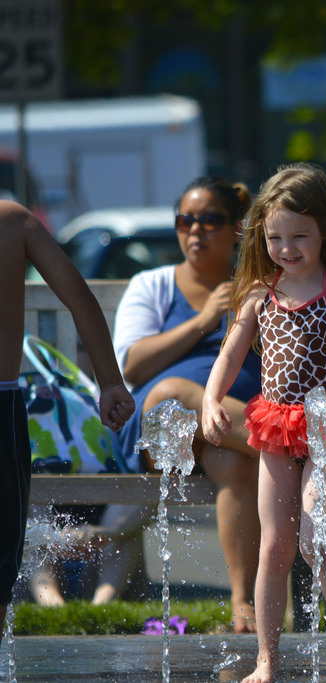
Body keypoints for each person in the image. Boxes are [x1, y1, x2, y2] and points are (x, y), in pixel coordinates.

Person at [202, 162, 326, 683]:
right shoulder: (262, 292)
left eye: (299, 236)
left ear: (325, 226)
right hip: (276, 427)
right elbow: (230, 356)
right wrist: (212, 400)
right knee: (275, 543)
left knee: (314, 540)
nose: (286, 247)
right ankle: (267, 658)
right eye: (276, 237)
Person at [111, 176, 261, 630]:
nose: (196, 231)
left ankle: (243, 603)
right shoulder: (153, 284)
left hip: (222, 440)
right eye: (185, 220)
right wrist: (203, 320)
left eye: (210, 220)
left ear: (236, 229)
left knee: (234, 468)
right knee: (173, 391)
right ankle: (285, 447)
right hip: (159, 439)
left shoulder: (256, 287)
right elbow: (132, 367)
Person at [0, 199, 134, 626]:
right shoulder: (13, 219)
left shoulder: (13, 221)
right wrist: (110, 382)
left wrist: (112, 382)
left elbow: (79, 298)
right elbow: (79, 297)